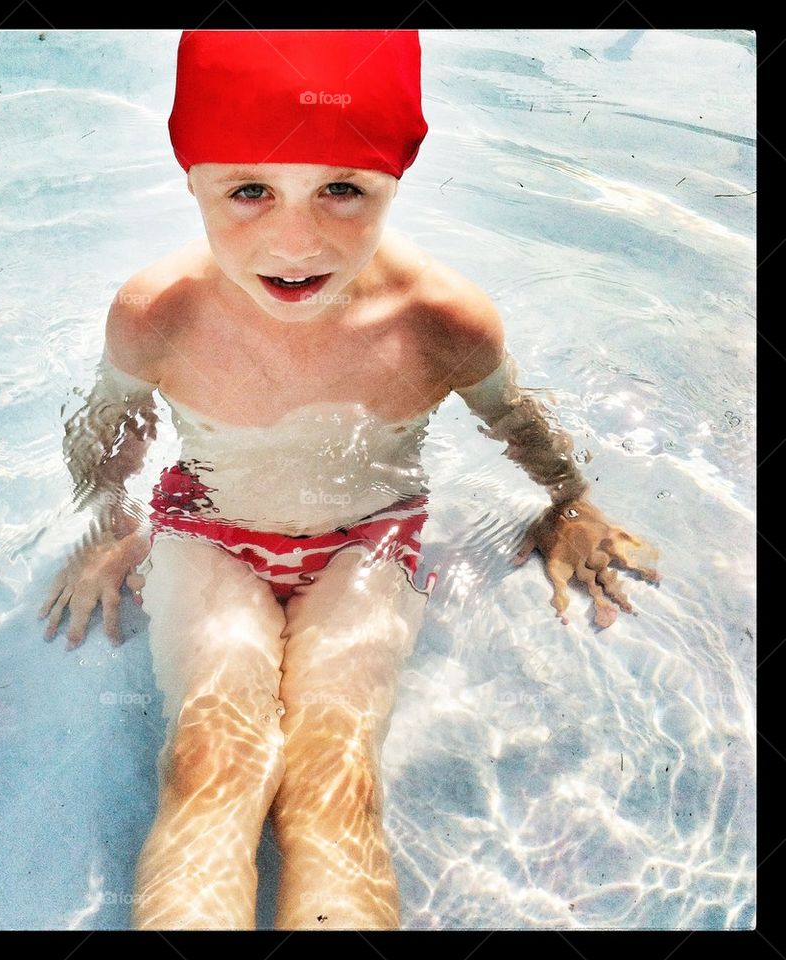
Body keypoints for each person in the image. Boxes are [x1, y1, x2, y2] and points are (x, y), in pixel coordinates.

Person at [39, 29, 659, 930]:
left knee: (335, 777)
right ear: (192, 179)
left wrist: (570, 503)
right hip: (211, 533)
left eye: (342, 190)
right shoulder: (157, 314)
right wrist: (110, 532)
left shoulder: (441, 320)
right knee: (208, 765)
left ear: (396, 181)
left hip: (367, 544)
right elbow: (112, 428)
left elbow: (517, 421)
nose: (296, 239)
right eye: (249, 190)